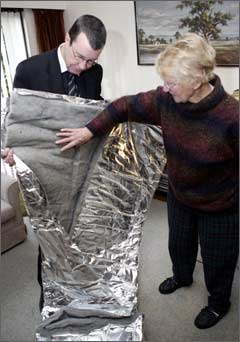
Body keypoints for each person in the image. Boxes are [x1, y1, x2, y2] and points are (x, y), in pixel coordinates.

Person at [55, 33, 239, 330]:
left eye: (172, 82)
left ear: (198, 79)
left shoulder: (232, 116)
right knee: (179, 245)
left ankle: (219, 304)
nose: (164, 88)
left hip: (220, 205)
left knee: (218, 259)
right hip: (180, 197)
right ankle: (182, 276)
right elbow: (124, 106)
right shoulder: (167, 100)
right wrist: (89, 131)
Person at [1, 14, 107, 311]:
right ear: (67, 39)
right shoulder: (30, 70)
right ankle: (49, 298)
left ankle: (77, 290)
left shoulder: (94, 72)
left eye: (91, 61)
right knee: (49, 236)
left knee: (79, 234)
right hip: (43, 171)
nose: (84, 67)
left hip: (77, 169)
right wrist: (10, 147)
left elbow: (93, 111)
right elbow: (16, 119)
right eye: (80, 57)